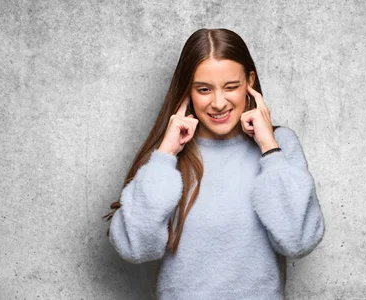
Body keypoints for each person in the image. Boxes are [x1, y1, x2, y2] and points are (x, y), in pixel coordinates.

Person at [103, 28, 325, 300]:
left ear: (250, 83)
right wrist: (164, 157)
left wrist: (269, 148)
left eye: (231, 87)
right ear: (188, 90)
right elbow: (133, 247)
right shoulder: (167, 155)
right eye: (204, 89)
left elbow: (298, 241)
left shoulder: (280, 145)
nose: (219, 103)